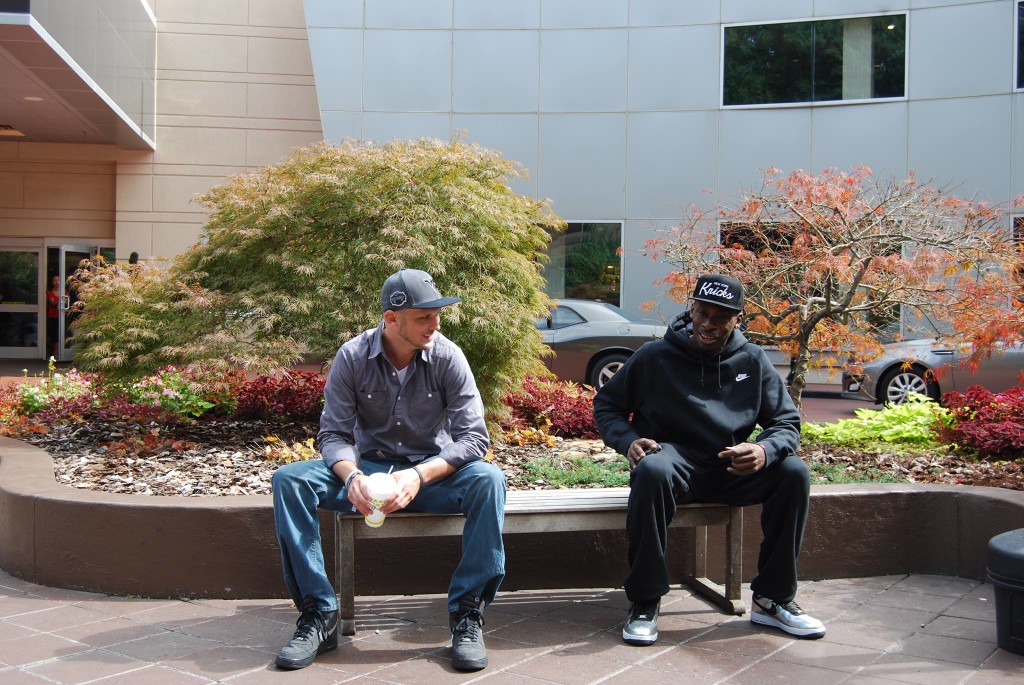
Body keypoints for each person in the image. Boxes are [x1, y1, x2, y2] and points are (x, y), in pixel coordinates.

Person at [271, 268, 506, 672]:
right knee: (289, 480)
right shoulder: (352, 356)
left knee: (489, 480)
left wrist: (418, 476)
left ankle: (467, 614)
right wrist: (353, 477)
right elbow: (333, 435)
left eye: (437, 315)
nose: (435, 325)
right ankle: (319, 614)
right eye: (424, 317)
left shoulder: (448, 356)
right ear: (391, 318)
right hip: (368, 473)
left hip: (431, 475)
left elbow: (472, 439)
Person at [592, 274, 825, 645]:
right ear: (692, 309)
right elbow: (607, 405)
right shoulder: (655, 357)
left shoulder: (752, 359)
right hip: (673, 463)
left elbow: (786, 422)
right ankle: (645, 602)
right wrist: (629, 441)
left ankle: (772, 599)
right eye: (703, 313)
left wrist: (764, 451)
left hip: (731, 467)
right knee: (650, 469)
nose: (709, 324)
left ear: (738, 319)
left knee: (793, 472)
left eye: (721, 317)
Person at [46, 275, 60, 359]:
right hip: (53, 316)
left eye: (58, 280)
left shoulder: (65, 292)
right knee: (54, 334)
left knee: (61, 334)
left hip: (62, 316)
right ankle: (55, 352)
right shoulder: (49, 292)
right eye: (55, 280)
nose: (57, 282)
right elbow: (53, 303)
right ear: (52, 282)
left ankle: (59, 352)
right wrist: (61, 299)